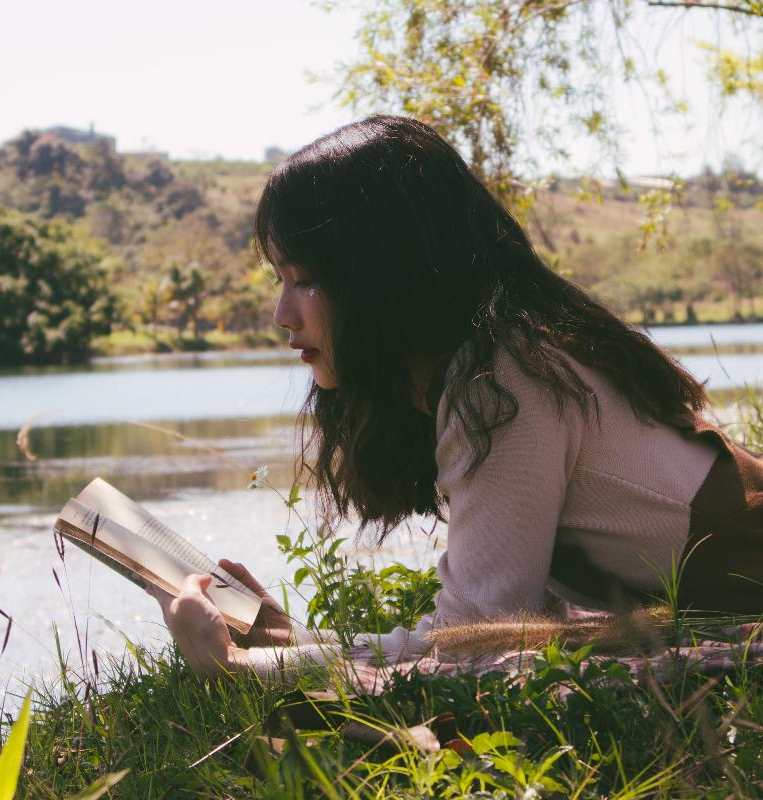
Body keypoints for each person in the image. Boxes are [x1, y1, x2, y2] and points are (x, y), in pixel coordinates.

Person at [149, 115, 763, 679]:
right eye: (279, 279)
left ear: (386, 275)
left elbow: (481, 646)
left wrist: (242, 670)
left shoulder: (504, 381)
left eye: (305, 280)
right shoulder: (498, 362)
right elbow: (481, 632)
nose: (281, 313)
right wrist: (287, 637)